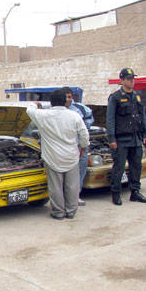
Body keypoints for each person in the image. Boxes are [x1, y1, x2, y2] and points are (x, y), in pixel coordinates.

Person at [27, 89, 89, 220]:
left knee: (55, 187)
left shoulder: (43, 115)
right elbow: (84, 134)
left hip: (52, 157)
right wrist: (83, 147)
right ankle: (71, 211)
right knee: (72, 186)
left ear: (51, 102)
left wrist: (35, 104)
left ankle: (58, 212)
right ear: (64, 101)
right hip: (71, 156)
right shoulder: (74, 116)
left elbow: (29, 110)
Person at [107, 68, 146, 205]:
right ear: (121, 81)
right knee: (119, 168)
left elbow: (142, 115)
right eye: (128, 79)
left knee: (136, 167)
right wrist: (112, 138)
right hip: (121, 140)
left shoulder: (137, 96)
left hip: (136, 138)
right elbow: (110, 119)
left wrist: (145, 133)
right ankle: (116, 193)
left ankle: (135, 192)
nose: (132, 81)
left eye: (133, 78)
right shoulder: (115, 97)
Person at [62, 87, 94, 206]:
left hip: (81, 146)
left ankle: (76, 196)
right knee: (66, 172)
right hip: (66, 147)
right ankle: (64, 197)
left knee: (80, 171)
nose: (68, 99)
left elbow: (89, 121)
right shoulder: (57, 110)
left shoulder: (81, 108)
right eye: (66, 97)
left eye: (70, 97)